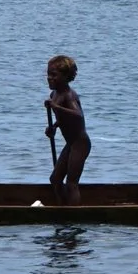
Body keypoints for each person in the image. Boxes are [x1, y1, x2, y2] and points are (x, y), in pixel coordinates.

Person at [43, 54, 90, 198]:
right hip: (70, 144)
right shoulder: (54, 95)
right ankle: (63, 208)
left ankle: (74, 216)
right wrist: (54, 127)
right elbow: (65, 119)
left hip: (80, 144)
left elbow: (78, 115)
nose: (49, 78)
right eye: (48, 74)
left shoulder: (69, 95)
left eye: (54, 75)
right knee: (55, 179)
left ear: (65, 76)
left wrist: (56, 106)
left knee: (71, 183)